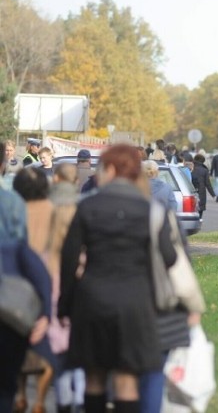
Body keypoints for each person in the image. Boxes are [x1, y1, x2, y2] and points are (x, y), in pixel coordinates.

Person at [58, 144, 177, 413]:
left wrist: (64, 305)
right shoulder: (151, 210)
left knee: (95, 377)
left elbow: (68, 258)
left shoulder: (86, 206)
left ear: (110, 169)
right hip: (136, 302)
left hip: (92, 301)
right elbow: (169, 257)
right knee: (127, 378)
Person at [12, 166, 57, 413]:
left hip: (17, 282)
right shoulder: (53, 211)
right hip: (48, 280)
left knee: (18, 339)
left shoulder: (13, 210)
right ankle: (40, 400)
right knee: (46, 344)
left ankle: (20, 393)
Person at [47, 163, 87, 413]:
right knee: (81, 348)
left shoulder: (46, 208)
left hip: (52, 281)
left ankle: (62, 400)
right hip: (81, 285)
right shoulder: (83, 209)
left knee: (59, 349)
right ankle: (81, 398)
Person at [191, 154, 215, 220]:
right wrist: (213, 194)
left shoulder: (191, 168)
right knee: (200, 208)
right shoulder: (204, 170)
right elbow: (208, 184)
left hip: (191, 190)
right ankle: (199, 220)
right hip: (201, 191)